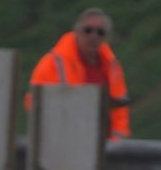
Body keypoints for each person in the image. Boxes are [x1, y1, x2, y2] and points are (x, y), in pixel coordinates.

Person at [28, 7, 132, 138]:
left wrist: (117, 141)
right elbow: (33, 102)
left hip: (104, 143)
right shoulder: (52, 63)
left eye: (100, 32)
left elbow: (120, 108)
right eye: (88, 30)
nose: (93, 36)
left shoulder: (112, 66)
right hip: (63, 140)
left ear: (106, 37)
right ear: (76, 31)